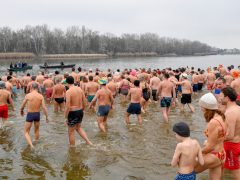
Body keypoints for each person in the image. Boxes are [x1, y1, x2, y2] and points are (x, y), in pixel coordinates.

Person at [195, 93, 226, 179]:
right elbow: (223, 136)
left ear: (206, 107)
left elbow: (210, 147)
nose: (201, 109)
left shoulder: (213, 122)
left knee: (187, 169)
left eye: (201, 106)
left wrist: (196, 153)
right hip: (221, 153)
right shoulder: (221, 117)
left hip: (214, 155)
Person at [219, 87, 240, 179]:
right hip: (237, 143)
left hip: (231, 145)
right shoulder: (238, 108)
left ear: (227, 98)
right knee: (221, 166)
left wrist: (215, 140)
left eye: (221, 96)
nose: (220, 98)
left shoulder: (230, 112)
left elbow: (230, 135)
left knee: (235, 170)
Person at [65, 76, 92, 146]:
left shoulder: (68, 91)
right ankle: (88, 142)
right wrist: (82, 110)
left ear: (67, 83)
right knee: (78, 128)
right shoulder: (80, 89)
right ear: (73, 81)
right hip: (80, 111)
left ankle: (72, 149)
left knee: (71, 132)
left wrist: (65, 117)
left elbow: (67, 106)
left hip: (72, 112)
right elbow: (85, 102)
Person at [20, 83, 48, 149]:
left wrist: (21, 110)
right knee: (37, 130)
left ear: (32, 87)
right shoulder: (40, 96)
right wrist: (46, 117)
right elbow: (44, 107)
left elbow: (23, 105)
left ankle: (32, 146)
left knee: (26, 132)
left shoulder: (28, 95)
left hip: (30, 114)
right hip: (37, 114)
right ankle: (36, 142)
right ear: (37, 88)